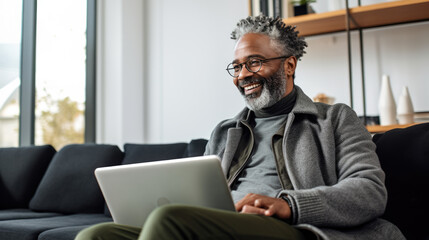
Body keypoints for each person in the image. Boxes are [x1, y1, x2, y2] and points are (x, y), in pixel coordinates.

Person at [76, 15, 405, 240]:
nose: (242, 74)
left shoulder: (333, 118)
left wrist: (289, 204)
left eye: (255, 62)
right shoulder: (225, 131)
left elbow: (370, 192)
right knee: (98, 234)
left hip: (296, 228)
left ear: (289, 64)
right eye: (236, 66)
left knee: (169, 220)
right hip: (222, 225)